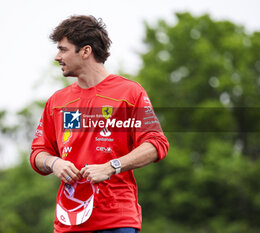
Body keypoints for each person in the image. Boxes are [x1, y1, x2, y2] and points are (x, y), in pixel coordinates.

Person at [30, 15, 169, 233]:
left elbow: (156, 144)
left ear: (85, 51)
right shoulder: (56, 102)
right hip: (69, 222)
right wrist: (54, 163)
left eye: (63, 49)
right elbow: (38, 153)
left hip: (117, 221)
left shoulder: (129, 93)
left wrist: (111, 166)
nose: (57, 56)